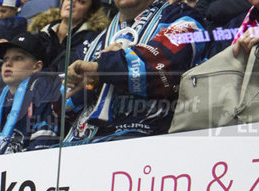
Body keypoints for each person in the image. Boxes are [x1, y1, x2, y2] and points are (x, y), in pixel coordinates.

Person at [61, 0, 204, 144]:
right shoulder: (95, 40)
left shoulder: (181, 17)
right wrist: (84, 83)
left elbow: (161, 67)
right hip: (80, 143)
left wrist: (102, 68)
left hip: (145, 139)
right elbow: (63, 103)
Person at [0, 32, 62, 156]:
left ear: (36, 67)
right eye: (5, 59)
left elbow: (41, 150)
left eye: (18, 58)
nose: (8, 64)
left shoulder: (44, 90)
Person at [31, 0, 114, 74]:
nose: (72, 3)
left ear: (89, 12)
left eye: (81, 2)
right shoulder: (40, 34)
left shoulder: (92, 41)